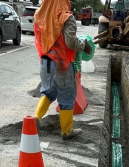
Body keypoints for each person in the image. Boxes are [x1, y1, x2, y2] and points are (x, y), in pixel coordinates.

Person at [33, 0, 92, 139]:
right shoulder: (66, 17)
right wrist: (83, 46)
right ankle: (66, 131)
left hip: (45, 62)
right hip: (62, 64)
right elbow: (70, 41)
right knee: (66, 97)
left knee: (47, 92)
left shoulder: (40, 14)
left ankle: (37, 118)